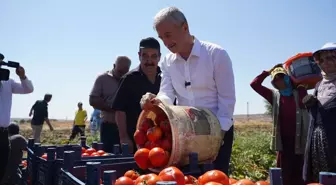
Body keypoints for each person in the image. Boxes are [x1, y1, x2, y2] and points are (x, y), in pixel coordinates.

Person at [140, 7, 236, 174]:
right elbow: (167, 94)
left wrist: (217, 134)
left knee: (215, 178)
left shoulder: (216, 54)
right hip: (184, 132)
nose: (166, 43)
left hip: (219, 129)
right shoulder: (168, 62)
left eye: (168, 35)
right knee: (188, 177)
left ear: (185, 27)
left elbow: (227, 99)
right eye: (161, 38)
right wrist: (155, 101)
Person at [250, 64, 309, 185]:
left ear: (287, 78)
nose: (278, 81)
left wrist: (301, 86)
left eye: (281, 77)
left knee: (300, 174)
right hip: (283, 142)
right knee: (284, 174)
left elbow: (308, 108)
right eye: (275, 79)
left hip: (300, 141)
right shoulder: (274, 96)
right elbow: (254, 84)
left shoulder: (300, 92)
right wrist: (267, 72)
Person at [112, 37, 162, 153]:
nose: (149, 61)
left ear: (159, 57)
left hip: (161, 140)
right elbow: (119, 111)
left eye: (153, 56)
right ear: (139, 55)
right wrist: (124, 137)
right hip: (136, 140)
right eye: (145, 56)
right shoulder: (129, 79)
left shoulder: (165, 78)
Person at [302, 42, 336, 183]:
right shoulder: (318, 85)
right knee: (318, 178)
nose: (325, 63)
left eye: (330, 58)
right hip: (316, 142)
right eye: (321, 60)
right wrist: (310, 105)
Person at [89, 56, 131, 153]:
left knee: (126, 158)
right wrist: (115, 109)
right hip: (109, 127)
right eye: (120, 71)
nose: (122, 75)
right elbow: (93, 100)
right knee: (107, 156)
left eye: (125, 71)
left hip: (126, 128)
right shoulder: (102, 79)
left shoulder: (130, 79)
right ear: (114, 66)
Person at [0, 64, 33, 181]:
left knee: (2, 167)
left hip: (3, 133)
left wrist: (23, 77)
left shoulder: (8, 82)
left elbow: (28, 89)